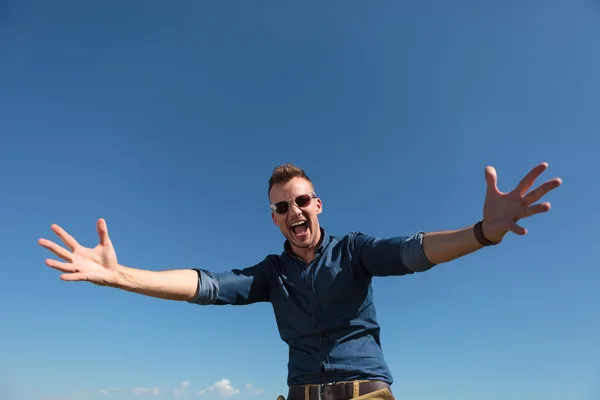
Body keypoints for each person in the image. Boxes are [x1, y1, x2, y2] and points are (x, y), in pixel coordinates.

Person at [38, 162, 561, 400]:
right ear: (274, 218)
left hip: (366, 394)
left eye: (302, 201)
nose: (294, 211)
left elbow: (413, 251)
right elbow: (207, 285)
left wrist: (482, 233)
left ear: (318, 205)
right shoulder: (272, 274)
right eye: (282, 207)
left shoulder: (353, 250)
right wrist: (120, 276)